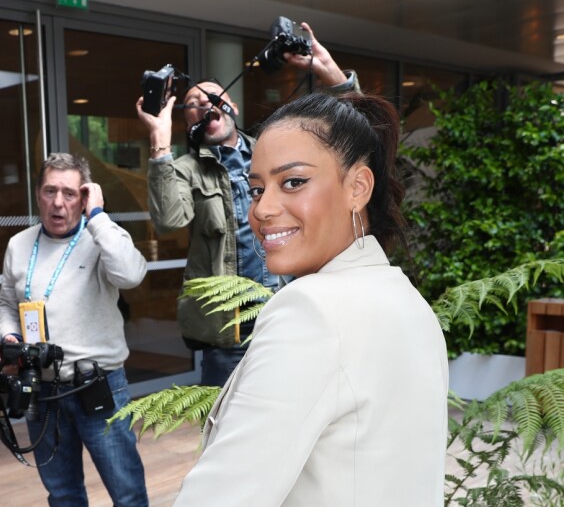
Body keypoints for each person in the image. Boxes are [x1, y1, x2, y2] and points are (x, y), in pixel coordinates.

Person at [172, 91, 449, 506]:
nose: (263, 209)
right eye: (256, 189)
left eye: (293, 182)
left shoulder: (311, 311)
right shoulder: (409, 301)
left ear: (358, 187)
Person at [136, 22, 360, 386]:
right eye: (193, 105)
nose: (205, 106)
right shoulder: (185, 169)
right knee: (226, 433)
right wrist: (159, 142)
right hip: (230, 331)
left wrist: (331, 74)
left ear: (232, 106)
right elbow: (167, 221)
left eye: (212, 98)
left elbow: (354, 137)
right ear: (188, 120)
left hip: (290, 314)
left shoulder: (275, 149)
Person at [0, 153, 149, 507]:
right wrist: (10, 337)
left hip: (99, 387)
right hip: (43, 388)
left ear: (84, 196)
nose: (58, 203)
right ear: (37, 194)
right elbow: (5, 305)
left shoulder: (102, 236)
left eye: (69, 193)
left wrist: (98, 215)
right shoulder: (19, 244)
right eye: (49, 191)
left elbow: (131, 275)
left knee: (127, 494)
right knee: (62, 495)